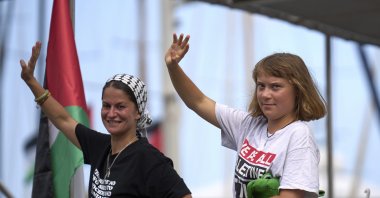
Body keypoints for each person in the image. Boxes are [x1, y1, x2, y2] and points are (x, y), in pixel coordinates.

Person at [20, 41, 192, 198]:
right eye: (106, 105)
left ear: (138, 111)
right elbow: (63, 119)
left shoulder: (148, 159)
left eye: (120, 107)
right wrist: (31, 82)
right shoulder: (99, 147)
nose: (111, 113)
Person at [164, 33, 327, 198]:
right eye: (261, 86)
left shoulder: (299, 135)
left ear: (298, 91)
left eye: (275, 87)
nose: (265, 94)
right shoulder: (249, 125)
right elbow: (198, 101)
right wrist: (173, 66)